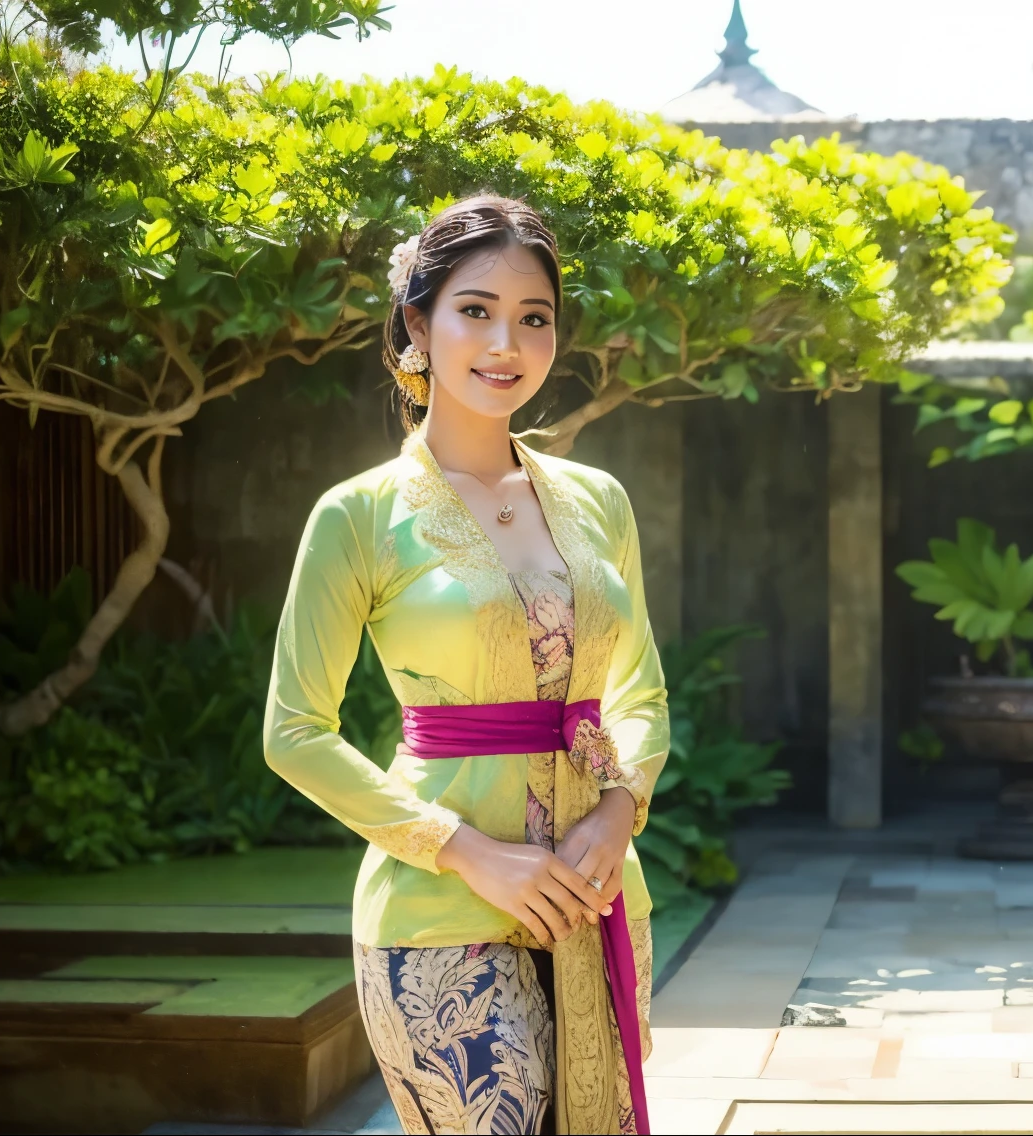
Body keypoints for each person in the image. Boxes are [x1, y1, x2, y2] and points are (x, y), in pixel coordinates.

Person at [264, 195, 667, 1135]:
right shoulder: (357, 515)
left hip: (598, 889)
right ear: (418, 323)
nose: (506, 342)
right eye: (475, 310)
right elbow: (293, 733)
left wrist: (618, 811)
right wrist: (469, 853)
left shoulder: (599, 500)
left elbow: (639, 690)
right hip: (438, 907)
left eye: (534, 318)